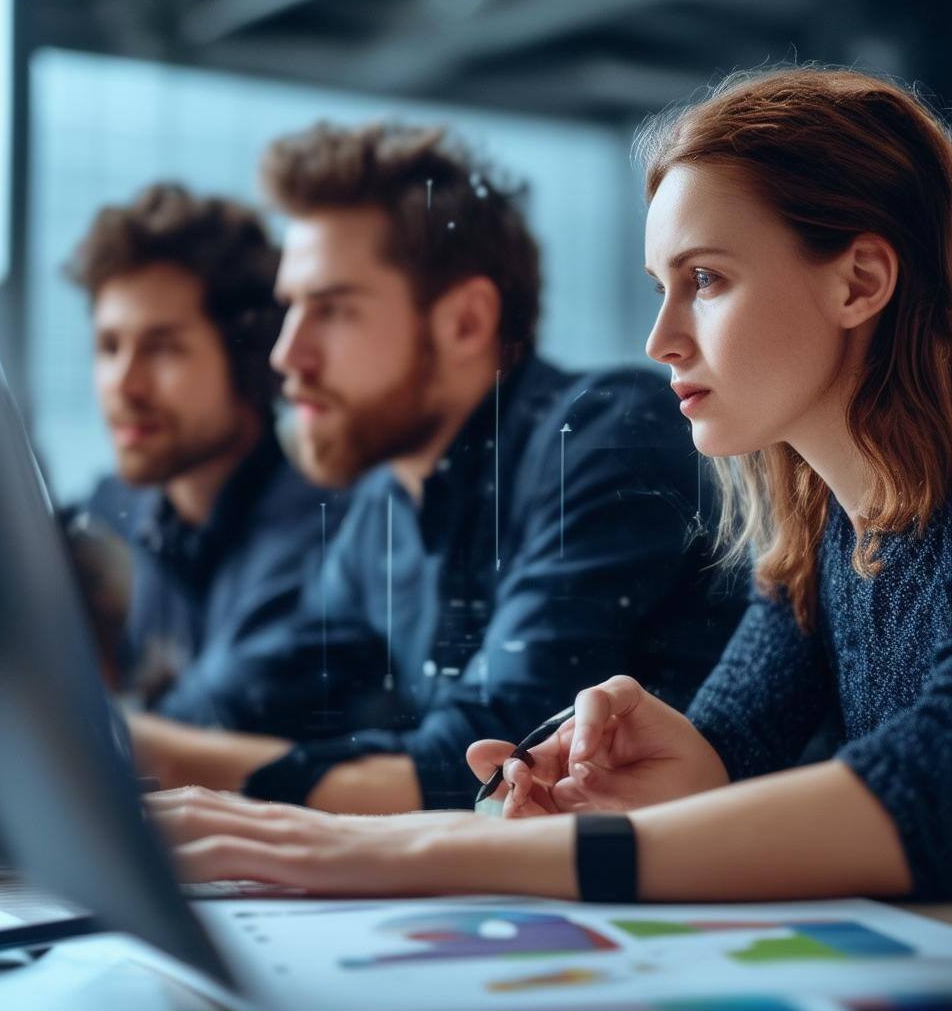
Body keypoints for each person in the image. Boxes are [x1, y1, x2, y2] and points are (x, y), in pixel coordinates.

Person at [148, 67, 952, 902]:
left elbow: (927, 786)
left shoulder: (598, 434)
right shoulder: (815, 540)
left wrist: (392, 850)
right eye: (659, 288)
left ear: (859, 280)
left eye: (706, 279)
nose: (660, 339)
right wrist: (661, 781)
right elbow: (728, 751)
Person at [131, 122, 744, 811]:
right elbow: (247, 694)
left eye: (331, 310)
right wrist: (112, 734)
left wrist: (155, 751)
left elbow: (490, 758)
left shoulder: (605, 432)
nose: (286, 355)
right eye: (290, 310)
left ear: (464, 323)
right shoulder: (382, 507)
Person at [67, 184, 358, 767]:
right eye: (109, 346)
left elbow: (197, 728)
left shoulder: (326, 540)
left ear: (250, 359)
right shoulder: (112, 509)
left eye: (163, 348)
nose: (124, 385)